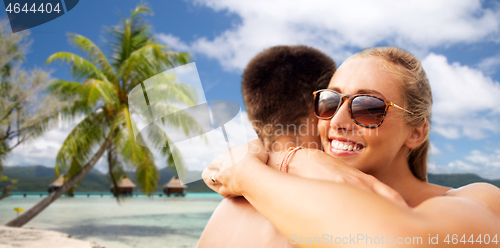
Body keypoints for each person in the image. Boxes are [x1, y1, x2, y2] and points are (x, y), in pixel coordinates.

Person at [207, 47, 500, 247]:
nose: (337, 120)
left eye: (368, 107)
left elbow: (399, 240)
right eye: (329, 101)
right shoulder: (268, 197)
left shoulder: (482, 200)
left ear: (416, 132)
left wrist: (249, 172)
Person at [198, 45, 336, 247]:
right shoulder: (334, 205)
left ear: (256, 124)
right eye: (334, 102)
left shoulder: (226, 208)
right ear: (318, 107)